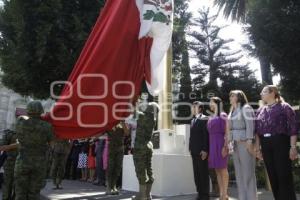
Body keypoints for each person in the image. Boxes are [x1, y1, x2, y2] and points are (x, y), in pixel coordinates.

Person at [255, 85, 298, 200]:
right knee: (273, 176)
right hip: (265, 144)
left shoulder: (285, 107)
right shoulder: (260, 110)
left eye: (264, 91)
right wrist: (257, 149)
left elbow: (293, 128)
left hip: (281, 142)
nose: (261, 94)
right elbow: (257, 131)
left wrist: (293, 147)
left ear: (272, 93)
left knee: (284, 175)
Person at [4, 100, 54, 200]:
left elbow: (23, 119)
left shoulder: (20, 122)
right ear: (41, 110)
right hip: (39, 164)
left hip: (22, 162)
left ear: (28, 110)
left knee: (20, 193)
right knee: (34, 194)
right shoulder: (47, 126)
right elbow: (51, 144)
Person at [228, 90, 257, 200]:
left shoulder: (246, 108)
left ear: (239, 97)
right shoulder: (233, 110)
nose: (230, 97)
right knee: (239, 174)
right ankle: (242, 197)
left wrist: (249, 140)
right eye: (230, 95)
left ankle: (251, 198)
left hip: (245, 143)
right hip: (235, 144)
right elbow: (230, 128)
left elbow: (250, 125)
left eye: (233, 95)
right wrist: (229, 141)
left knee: (248, 173)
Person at [132, 94, 158, 200]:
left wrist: (135, 103)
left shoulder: (142, 116)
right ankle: (148, 195)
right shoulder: (153, 119)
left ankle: (142, 196)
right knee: (149, 169)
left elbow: (133, 112)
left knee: (140, 170)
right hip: (148, 145)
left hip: (140, 146)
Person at [207, 97, 229, 200]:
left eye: (211, 102)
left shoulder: (223, 115)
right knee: (217, 170)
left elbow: (227, 132)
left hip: (220, 143)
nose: (210, 104)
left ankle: (225, 194)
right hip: (212, 144)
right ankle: (221, 194)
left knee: (223, 169)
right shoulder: (211, 117)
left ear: (217, 103)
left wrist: (225, 146)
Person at [189, 101, 210, 200]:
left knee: (203, 173)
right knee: (196, 174)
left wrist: (205, 150)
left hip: (202, 152)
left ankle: (205, 195)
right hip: (193, 151)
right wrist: (190, 148)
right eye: (192, 107)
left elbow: (206, 135)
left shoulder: (205, 118)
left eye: (194, 107)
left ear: (200, 108)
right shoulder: (192, 120)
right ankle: (200, 193)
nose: (192, 109)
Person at [106, 121, 129, 195]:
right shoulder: (109, 123)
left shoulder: (122, 124)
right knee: (110, 167)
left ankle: (114, 186)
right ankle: (109, 187)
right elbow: (99, 133)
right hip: (111, 149)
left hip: (120, 148)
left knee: (118, 167)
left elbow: (127, 133)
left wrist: (123, 123)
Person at [0, 129, 18, 200]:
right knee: (7, 186)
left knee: (19, 188)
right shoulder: (9, 133)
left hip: (25, 165)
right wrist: (16, 145)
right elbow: (1, 147)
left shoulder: (30, 132)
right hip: (10, 164)